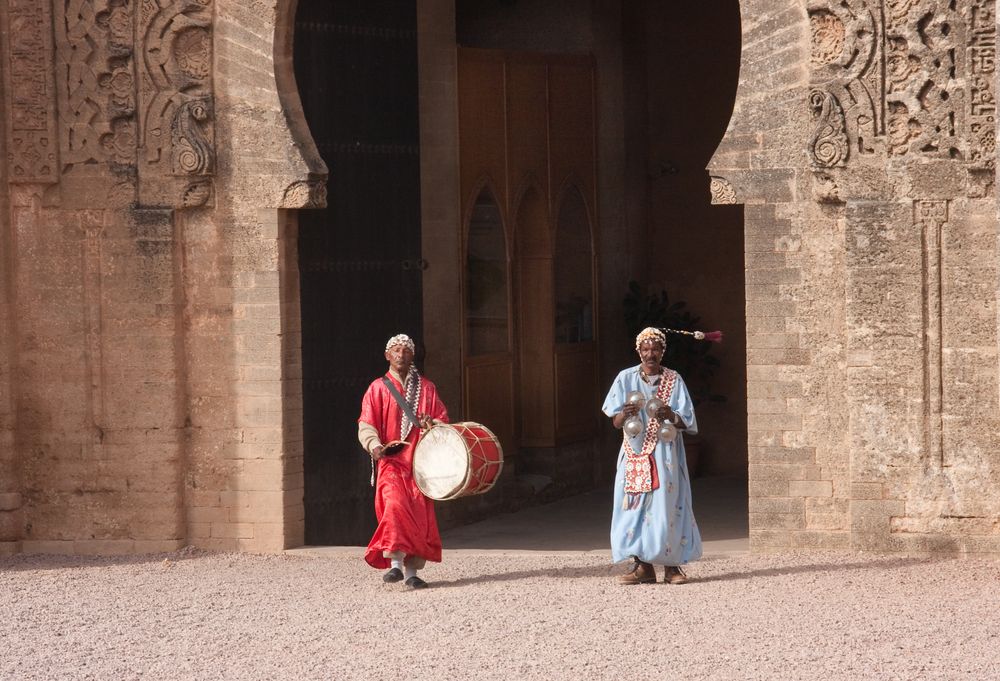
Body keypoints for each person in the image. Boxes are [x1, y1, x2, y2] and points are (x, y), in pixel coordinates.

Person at [602, 327, 702, 585]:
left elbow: (686, 420)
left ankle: (672, 567)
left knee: (667, 506)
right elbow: (615, 422)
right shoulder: (625, 378)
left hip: (665, 454)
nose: (650, 354)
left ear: (662, 351)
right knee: (635, 507)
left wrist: (670, 416)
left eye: (655, 349)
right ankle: (643, 566)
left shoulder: (674, 380)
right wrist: (625, 412)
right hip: (636, 453)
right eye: (645, 349)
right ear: (638, 351)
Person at [357, 333, 449, 589]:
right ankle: (395, 564)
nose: (401, 354)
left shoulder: (427, 388)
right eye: (395, 350)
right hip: (392, 462)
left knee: (419, 516)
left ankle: (412, 573)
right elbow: (366, 423)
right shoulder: (377, 388)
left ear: (413, 356)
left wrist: (432, 423)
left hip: (420, 464)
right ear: (387, 356)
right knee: (395, 506)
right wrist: (374, 446)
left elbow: (442, 419)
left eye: (406, 351)